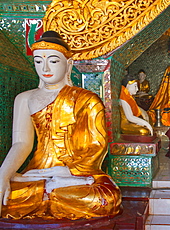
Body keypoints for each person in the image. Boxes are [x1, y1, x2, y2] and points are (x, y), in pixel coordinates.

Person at [0, 31, 122, 219]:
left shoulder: (87, 99)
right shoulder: (24, 99)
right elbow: (21, 144)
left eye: (54, 61)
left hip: (76, 176)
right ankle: (50, 190)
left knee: (105, 199)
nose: (45, 67)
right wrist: (4, 174)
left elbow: (97, 146)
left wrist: (66, 171)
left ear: (68, 64)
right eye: (38, 61)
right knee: (8, 196)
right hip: (37, 175)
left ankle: (52, 190)